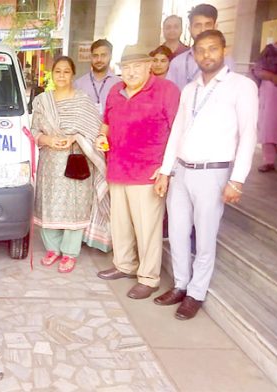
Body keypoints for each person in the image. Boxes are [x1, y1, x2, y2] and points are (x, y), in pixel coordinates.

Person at [154, 30, 258, 320]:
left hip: (214, 173)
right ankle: (179, 285)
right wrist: (165, 171)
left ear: (224, 50)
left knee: (205, 236)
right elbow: (177, 132)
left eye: (212, 49)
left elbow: (249, 134)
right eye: (200, 50)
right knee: (176, 232)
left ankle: (196, 293)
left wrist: (237, 179)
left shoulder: (242, 86)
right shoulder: (190, 89)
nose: (206, 55)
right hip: (182, 171)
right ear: (194, 54)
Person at [95, 45, 180, 300]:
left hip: (148, 171)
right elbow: (107, 123)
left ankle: (149, 277)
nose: (130, 72)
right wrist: (101, 136)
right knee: (120, 224)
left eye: (136, 67)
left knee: (147, 228)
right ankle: (124, 265)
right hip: (118, 167)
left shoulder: (166, 90)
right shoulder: (114, 91)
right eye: (126, 67)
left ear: (149, 66)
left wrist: (166, 170)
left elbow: (178, 131)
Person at [31, 56, 111, 273]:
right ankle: (52, 249)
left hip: (75, 160)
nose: (62, 76)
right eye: (58, 71)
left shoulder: (82, 100)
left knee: (75, 206)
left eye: (66, 72)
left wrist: (75, 138)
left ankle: (69, 252)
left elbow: (95, 130)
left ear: (73, 75)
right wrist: (48, 140)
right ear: (52, 74)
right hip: (50, 162)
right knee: (49, 204)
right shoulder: (42, 101)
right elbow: (34, 130)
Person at [167, 3, 235, 90]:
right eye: (198, 25)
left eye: (208, 25)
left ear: (215, 27)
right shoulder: (177, 62)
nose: (203, 30)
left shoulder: (226, 61)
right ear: (190, 29)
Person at [254, 21, 277, 173]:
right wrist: (272, 76)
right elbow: (257, 69)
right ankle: (269, 161)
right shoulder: (270, 49)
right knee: (270, 125)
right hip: (272, 91)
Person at [74, 39, 121, 115]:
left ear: (111, 56)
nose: (99, 59)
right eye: (95, 56)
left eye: (103, 55)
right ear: (91, 57)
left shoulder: (119, 84)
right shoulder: (79, 84)